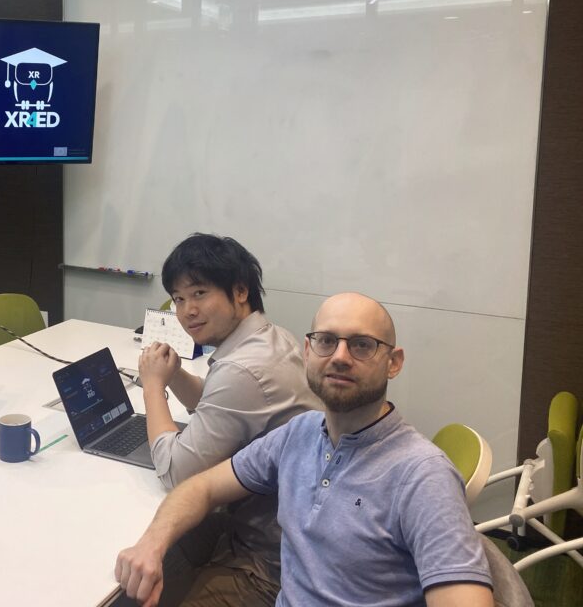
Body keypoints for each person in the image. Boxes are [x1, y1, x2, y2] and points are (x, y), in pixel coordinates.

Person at [117, 292, 494, 607]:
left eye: (362, 345)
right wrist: (152, 543)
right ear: (308, 352)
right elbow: (203, 487)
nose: (340, 356)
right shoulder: (299, 433)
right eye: (327, 341)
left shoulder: (422, 475)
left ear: (393, 363)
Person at [137, 233, 320, 605]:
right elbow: (218, 405)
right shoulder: (271, 338)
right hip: (287, 529)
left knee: (150, 537)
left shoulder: (243, 370)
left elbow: (176, 472)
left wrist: (152, 386)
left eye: (199, 293)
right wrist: (174, 374)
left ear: (240, 291)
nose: (187, 310)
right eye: (178, 298)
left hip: (272, 561)